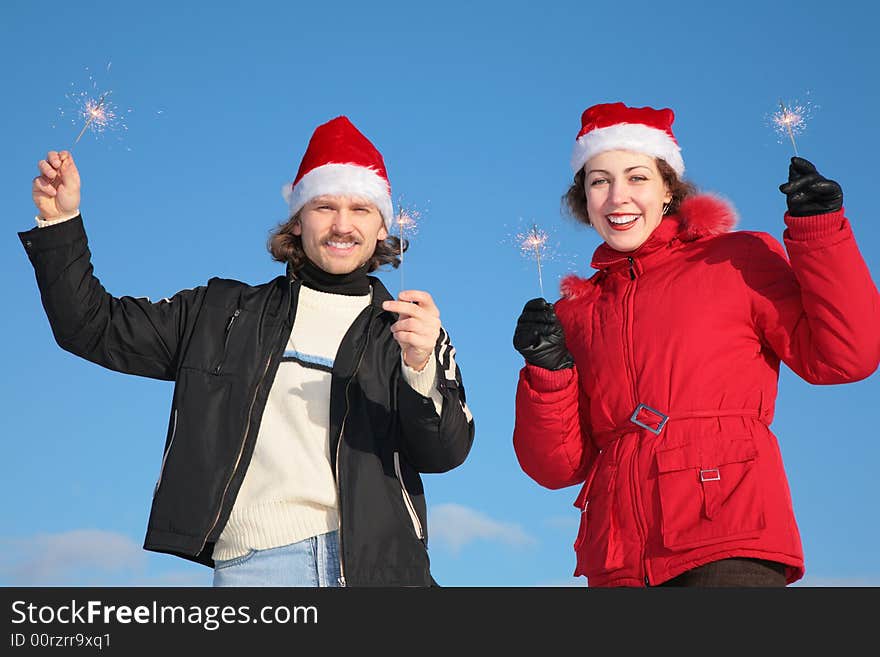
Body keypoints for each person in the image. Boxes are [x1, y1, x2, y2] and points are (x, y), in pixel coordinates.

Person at [20, 115, 475, 587]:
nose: (342, 225)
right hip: (260, 570)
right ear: (297, 221)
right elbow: (91, 325)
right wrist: (59, 223)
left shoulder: (409, 330)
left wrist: (420, 366)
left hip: (384, 574)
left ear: (383, 227)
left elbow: (446, 451)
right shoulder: (220, 314)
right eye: (324, 207)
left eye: (361, 209)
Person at [512, 101, 879, 587]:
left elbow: (846, 356)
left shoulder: (736, 260)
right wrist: (548, 373)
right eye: (599, 180)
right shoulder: (575, 313)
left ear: (669, 189)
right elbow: (557, 467)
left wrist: (820, 232)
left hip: (726, 536)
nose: (617, 196)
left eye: (637, 177)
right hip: (618, 560)